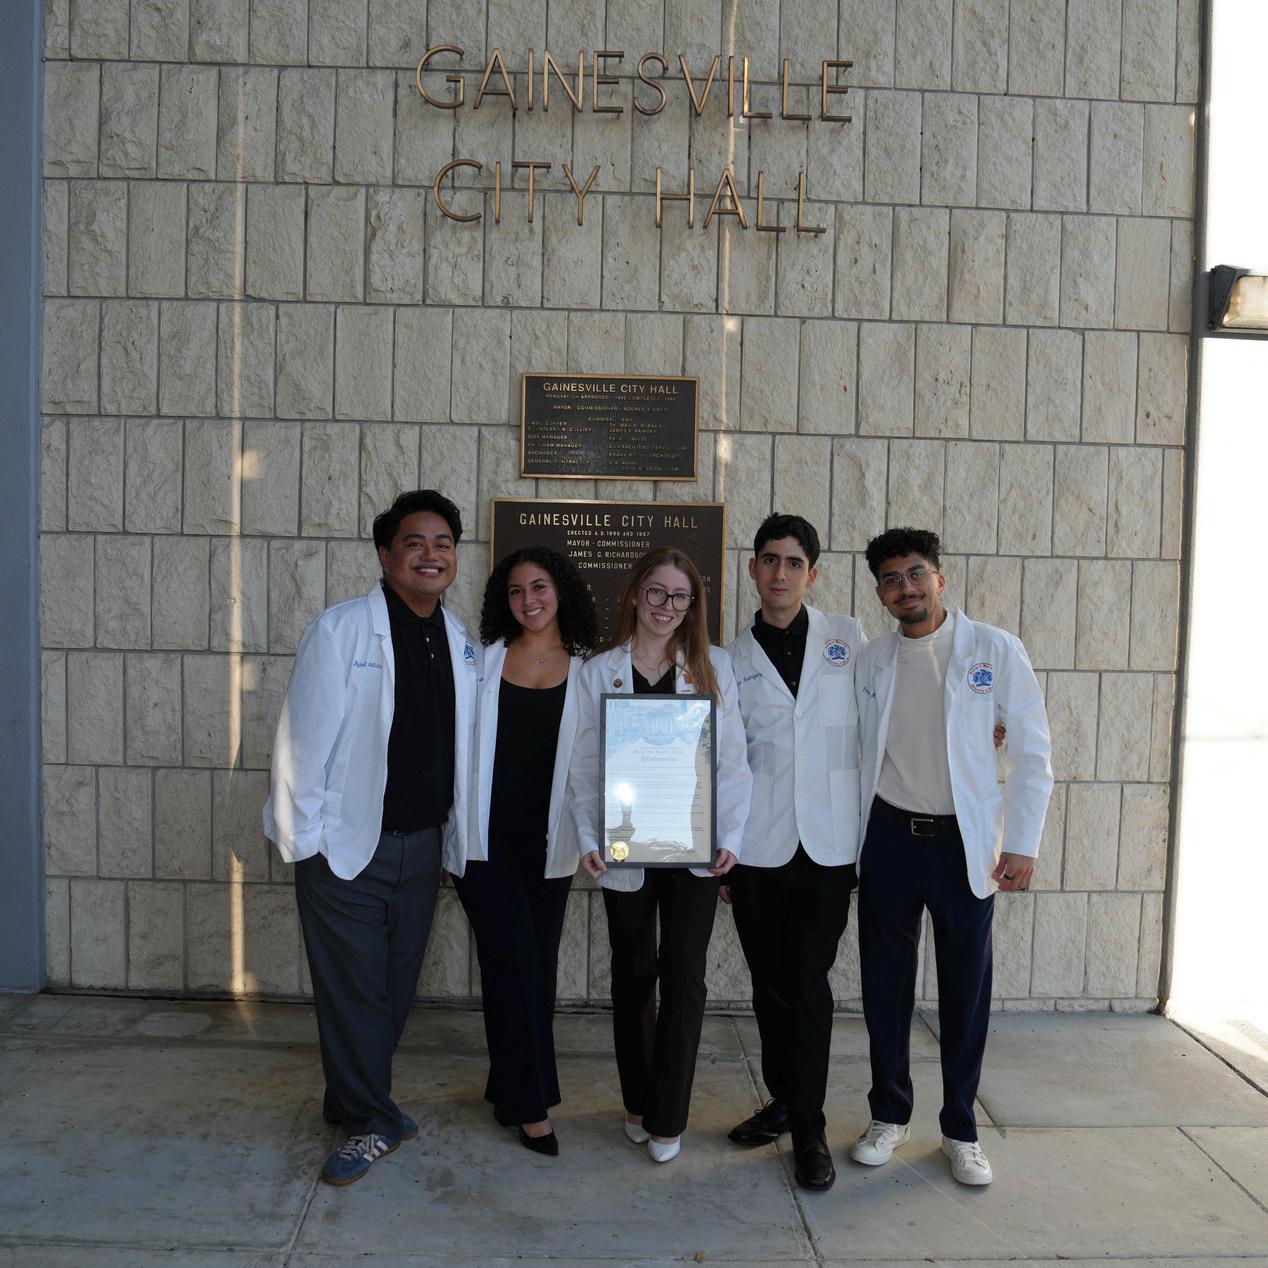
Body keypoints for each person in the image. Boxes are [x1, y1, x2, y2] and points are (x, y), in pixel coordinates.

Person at [263, 489, 480, 1186]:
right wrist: (307, 845)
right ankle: (371, 1121)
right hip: (346, 848)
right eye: (414, 543)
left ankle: (350, 1094)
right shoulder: (341, 631)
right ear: (385, 556)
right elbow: (300, 743)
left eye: (443, 543)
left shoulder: (458, 641)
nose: (430, 555)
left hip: (422, 848)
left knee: (391, 989)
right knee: (355, 989)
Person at [850, 527, 1052, 1186]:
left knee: (965, 990)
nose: (904, 587)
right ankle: (888, 1115)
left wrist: (1021, 842)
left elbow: (1031, 749)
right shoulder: (872, 660)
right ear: (880, 593)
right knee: (885, 986)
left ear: (939, 578)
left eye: (915, 573)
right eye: (890, 579)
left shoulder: (994, 649)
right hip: (889, 836)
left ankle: (961, 1128)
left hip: (964, 842)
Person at [571, 547, 752, 1164]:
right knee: (632, 976)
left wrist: (730, 836)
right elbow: (583, 767)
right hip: (623, 846)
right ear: (634, 593)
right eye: (656, 591)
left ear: (692, 604)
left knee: (683, 977)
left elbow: (733, 763)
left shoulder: (713, 667)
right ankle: (638, 1101)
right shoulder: (598, 672)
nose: (666, 606)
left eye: (679, 596)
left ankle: (668, 1115)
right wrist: (589, 838)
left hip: (692, 847)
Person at [723, 513, 865, 1192]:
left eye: (794, 562)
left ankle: (809, 1129)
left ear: (813, 573)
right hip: (757, 848)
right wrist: (718, 849)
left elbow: (888, 713)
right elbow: (722, 761)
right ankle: (783, 1098)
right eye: (770, 560)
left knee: (807, 984)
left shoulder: (849, 641)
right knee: (768, 985)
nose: (780, 573)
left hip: (829, 847)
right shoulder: (730, 660)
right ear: (753, 569)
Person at [450, 547, 597, 1157]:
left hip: (551, 847)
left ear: (560, 591)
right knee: (512, 966)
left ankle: (504, 1081)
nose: (528, 600)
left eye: (539, 587)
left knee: (535, 968)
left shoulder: (589, 669)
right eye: (515, 591)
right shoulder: (481, 661)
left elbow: (595, 766)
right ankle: (531, 1107)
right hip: (485, 846)